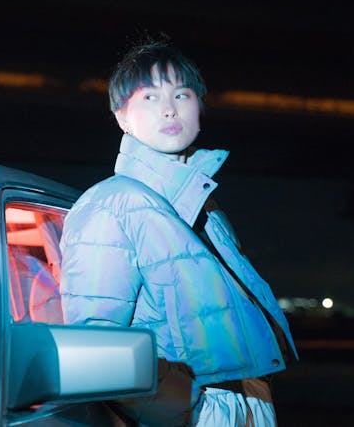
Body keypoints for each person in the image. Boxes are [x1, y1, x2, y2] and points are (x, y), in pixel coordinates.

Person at [59, 38, 297, 426]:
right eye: (149, 97)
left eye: (181, 94)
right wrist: (189, 411)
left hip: (244, 405)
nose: (169, 108)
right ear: (122, 116)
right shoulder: (111, 205)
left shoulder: (204, 205)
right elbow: (94, 346)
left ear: (200, 106)